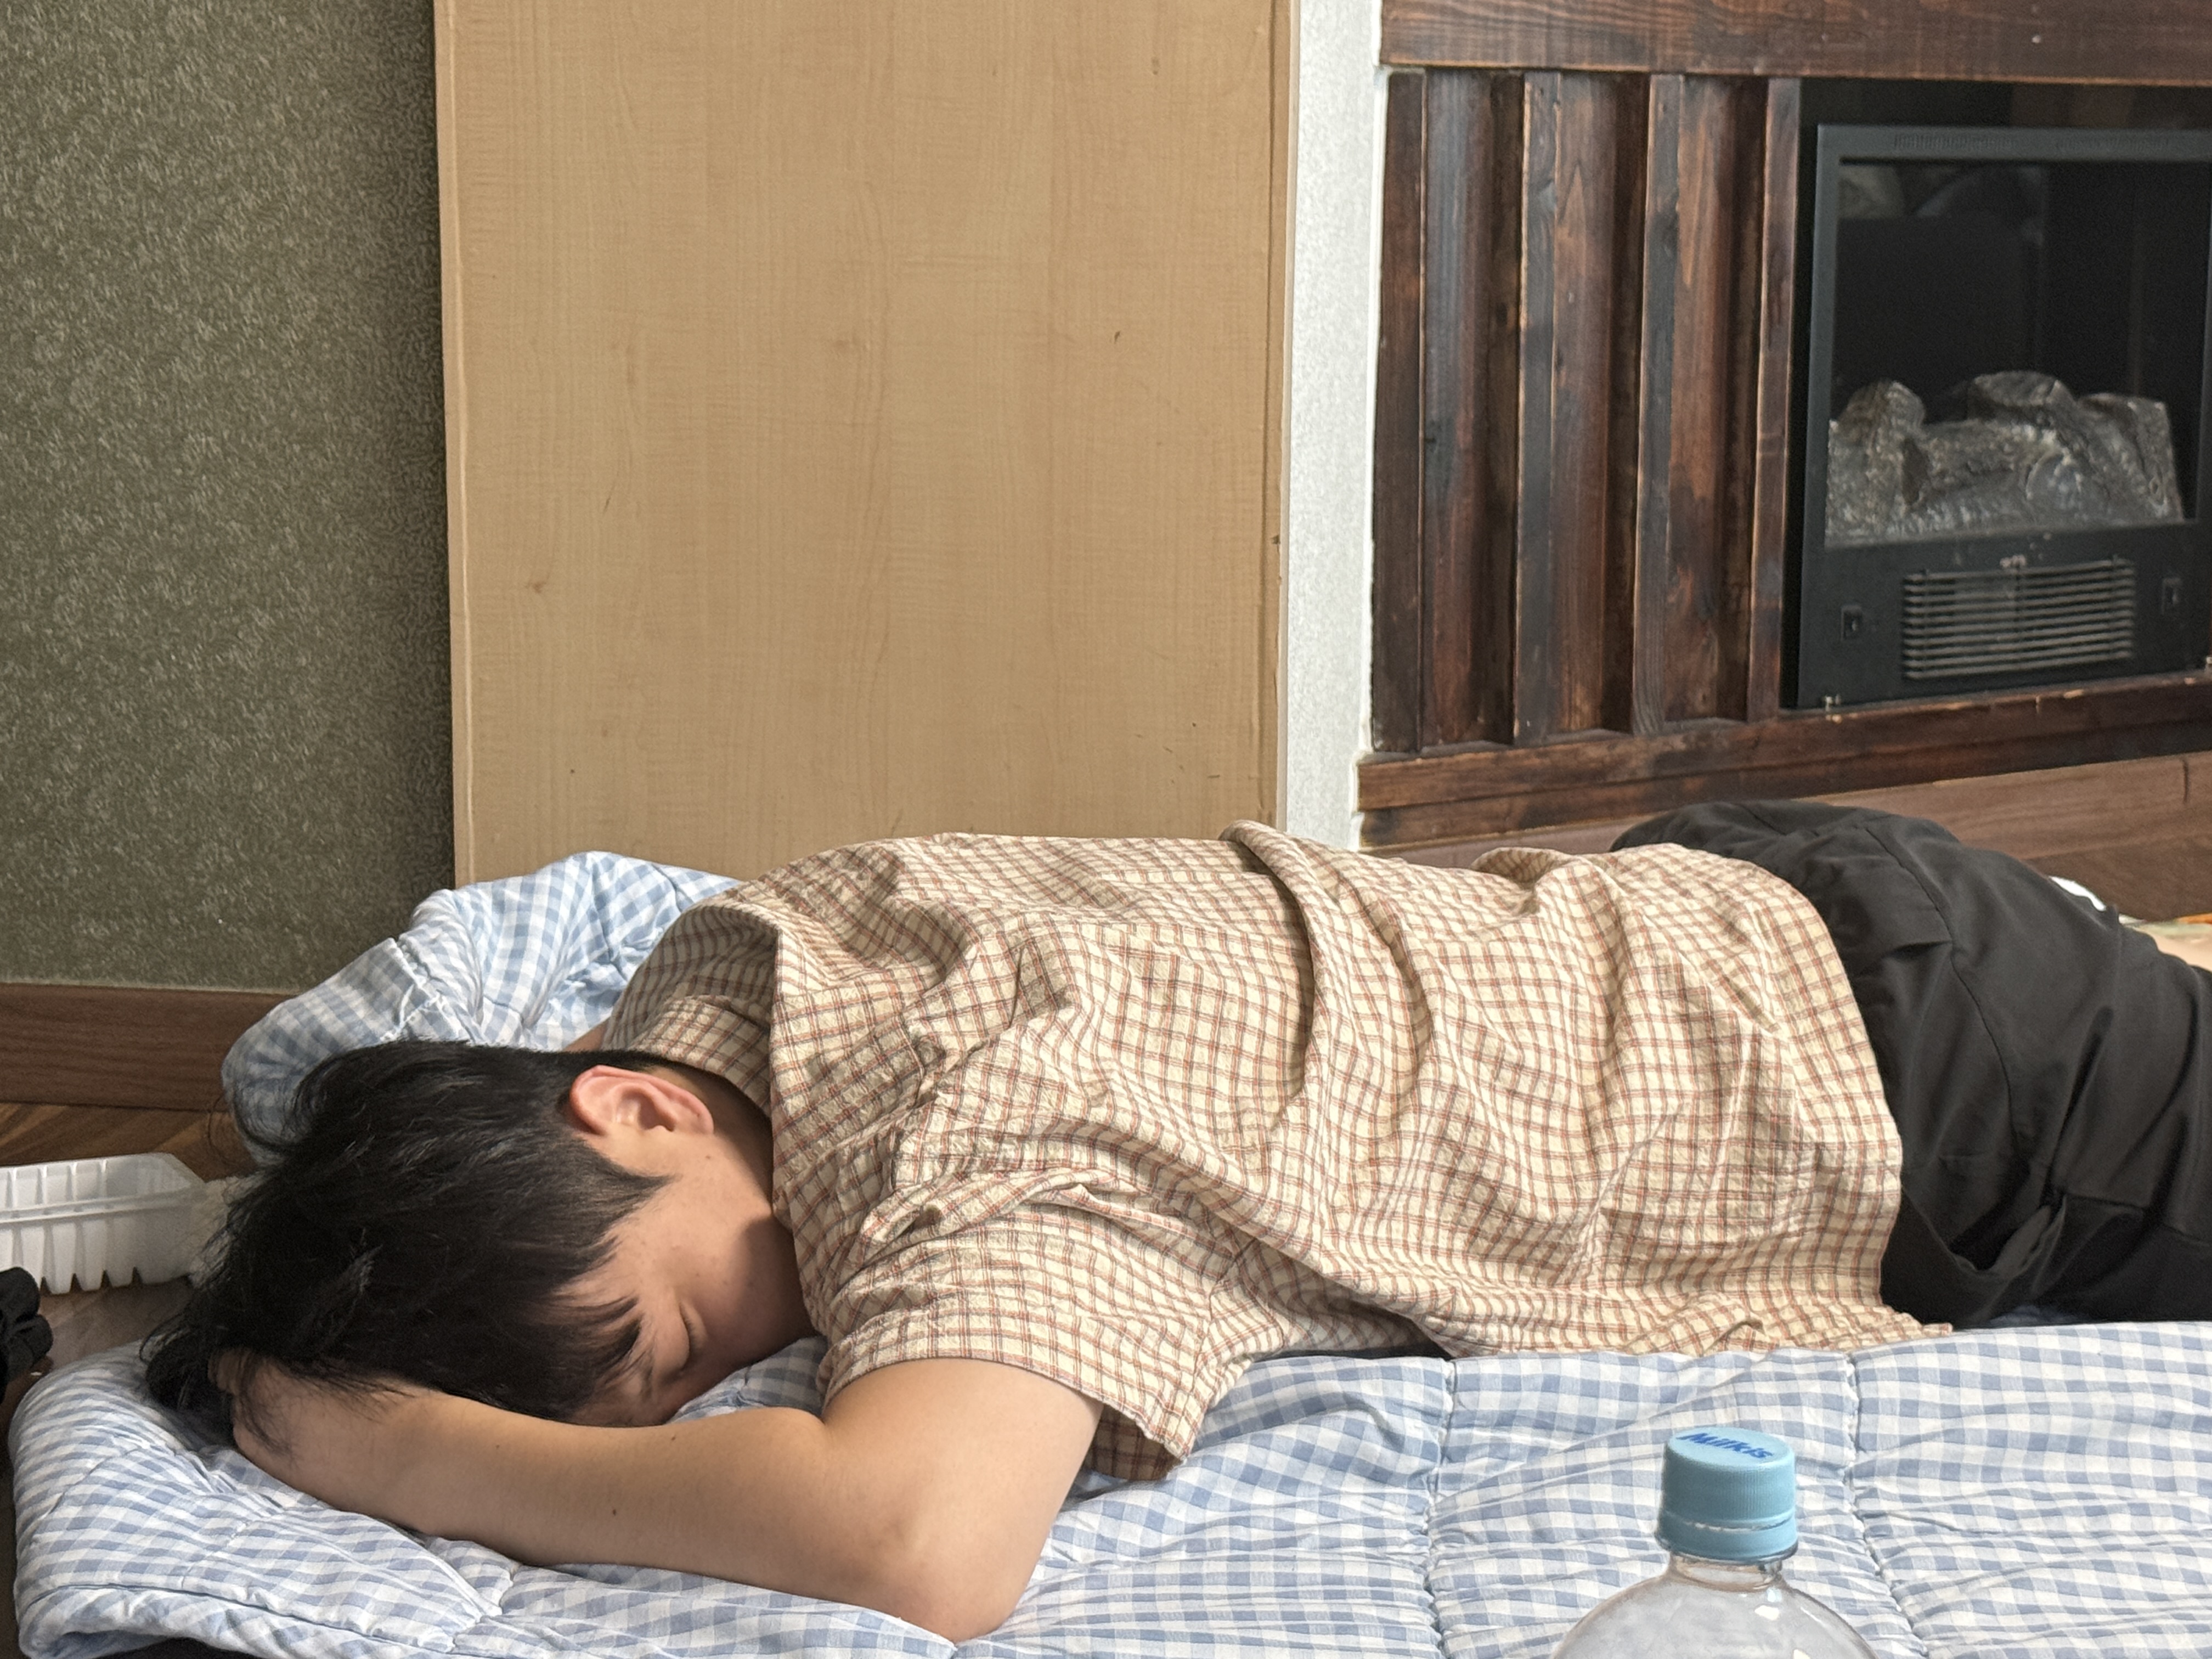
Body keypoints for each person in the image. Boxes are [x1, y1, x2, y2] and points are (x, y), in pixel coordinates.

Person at [145, 803, 2212, 1641]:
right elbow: (340, 1094)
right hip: (1729, 906)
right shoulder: (758, 950)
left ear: (634, 1107)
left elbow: (920, 1542)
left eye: (678, 1344)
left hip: (1940, 1082)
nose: (731, 1371)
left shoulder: (988, 1152)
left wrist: (413, 1457)